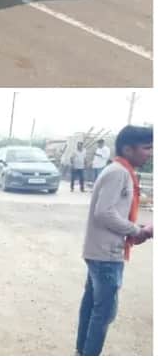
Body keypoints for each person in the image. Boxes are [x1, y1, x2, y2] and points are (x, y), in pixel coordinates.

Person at [75, 126, 153, 356]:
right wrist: (136, 231)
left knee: (92, 306)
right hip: (106, 255)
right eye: (146, 148)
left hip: (101, 251)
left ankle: (82, 351)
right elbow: (104, 212)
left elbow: (112, 212)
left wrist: (136, 230)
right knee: (104, 313)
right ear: (128, 149)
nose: (150, 153)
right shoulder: (119, 173)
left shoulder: (118, 170)